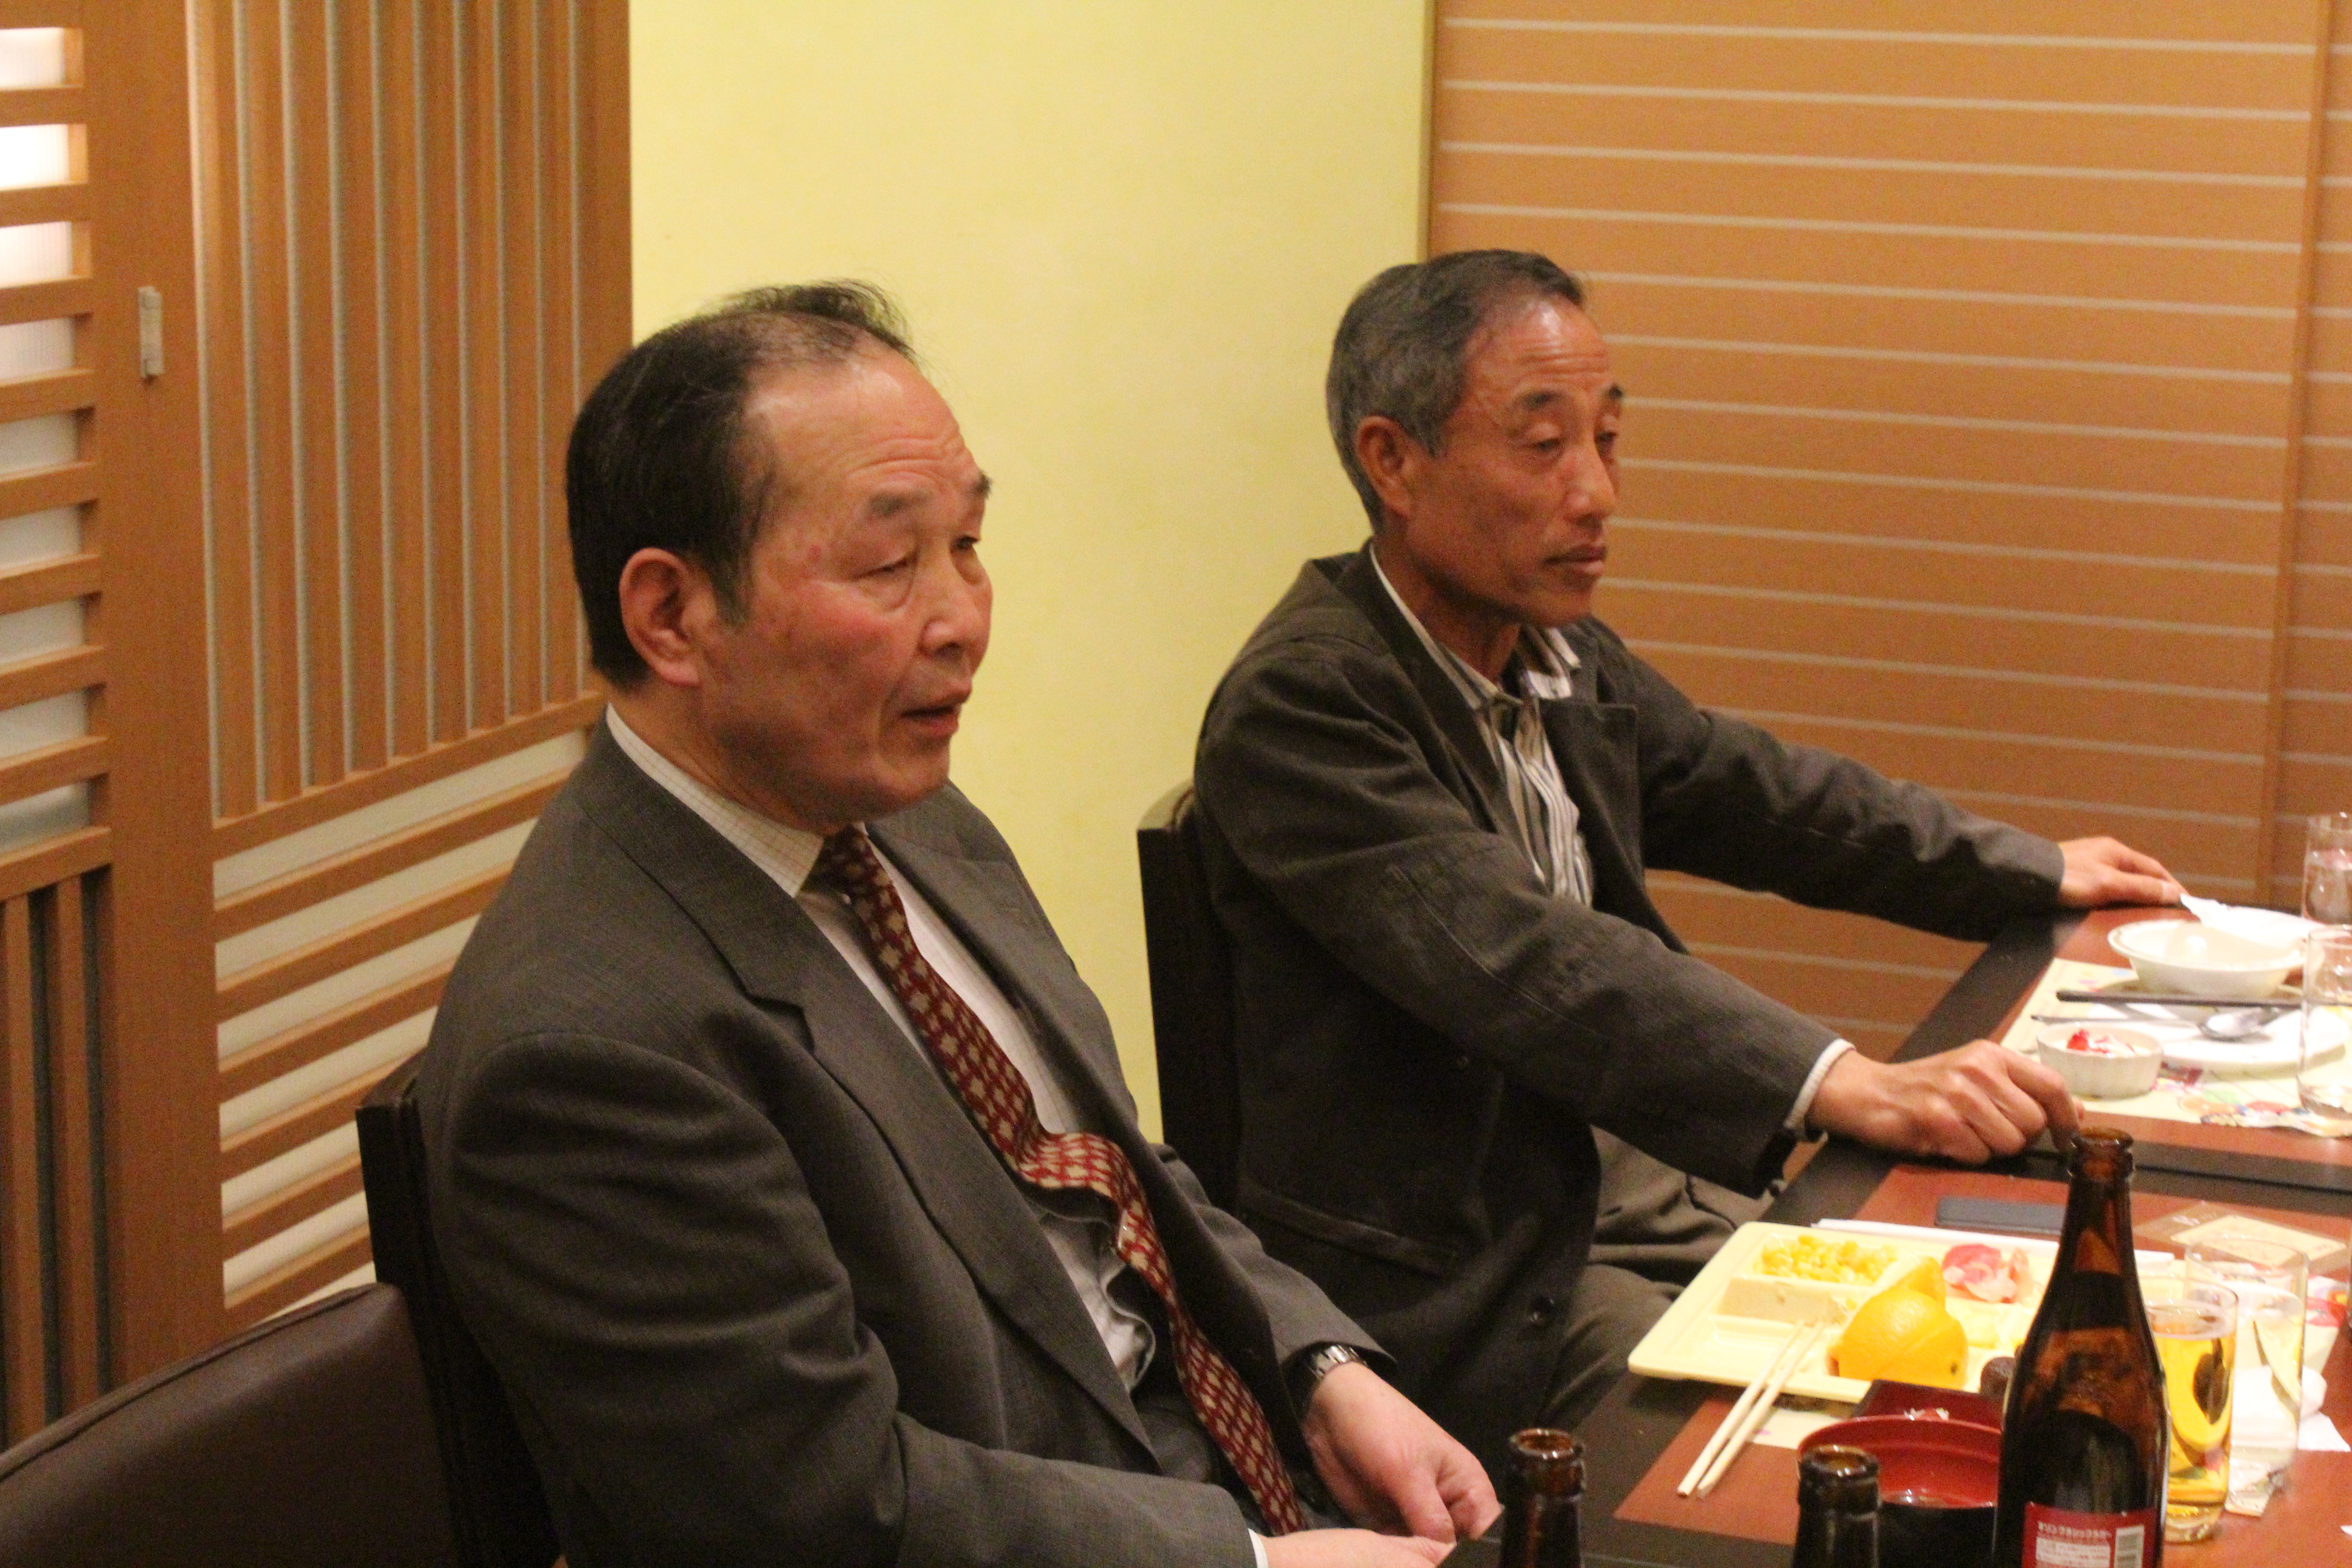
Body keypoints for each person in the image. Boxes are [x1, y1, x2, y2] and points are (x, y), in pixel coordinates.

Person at [411, 284, 1497, 1568]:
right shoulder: (590, 1049)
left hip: (1234, 1465)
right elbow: (823, 1511)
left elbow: (1117, 1172)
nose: (964, 620)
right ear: (670, 616)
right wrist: (1248, 1564)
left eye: (968, 546)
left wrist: (1321, 1371)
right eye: (889, 566)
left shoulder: (909, 819)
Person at [1189, 250, 2183, 1472]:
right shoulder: (1308, 703)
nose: (1597, 492)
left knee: (2005, 1324)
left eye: (1607, 440)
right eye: (1544, 446)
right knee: (1824, 1455)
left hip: (1628, 1194)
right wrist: (1842, 1080)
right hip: (1480, 1272)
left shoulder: (1552, 653)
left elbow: (1762, 795)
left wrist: (2027, 869)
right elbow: (1533, 961)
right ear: (1392, 461)